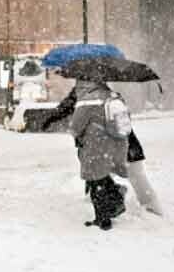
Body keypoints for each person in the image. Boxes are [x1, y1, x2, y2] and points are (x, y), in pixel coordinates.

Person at [42, 85, 163, 215]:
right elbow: (125, 117)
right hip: (125, 142)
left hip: (106, 145)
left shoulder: (87, 96)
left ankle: (126, 198)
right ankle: (146, 204)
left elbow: (72, 119)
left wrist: (50, 119)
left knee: (104, 173)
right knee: (130, 173)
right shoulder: (111, 94)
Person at [68, 79, 130, 230]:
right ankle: (115, 198)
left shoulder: (88, 101)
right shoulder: (115, 97)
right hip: (115, 144)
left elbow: (75, 127)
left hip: (95, 146)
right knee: (101, 177)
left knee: (95, 182)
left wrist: (76, 132)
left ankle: (103, 219)